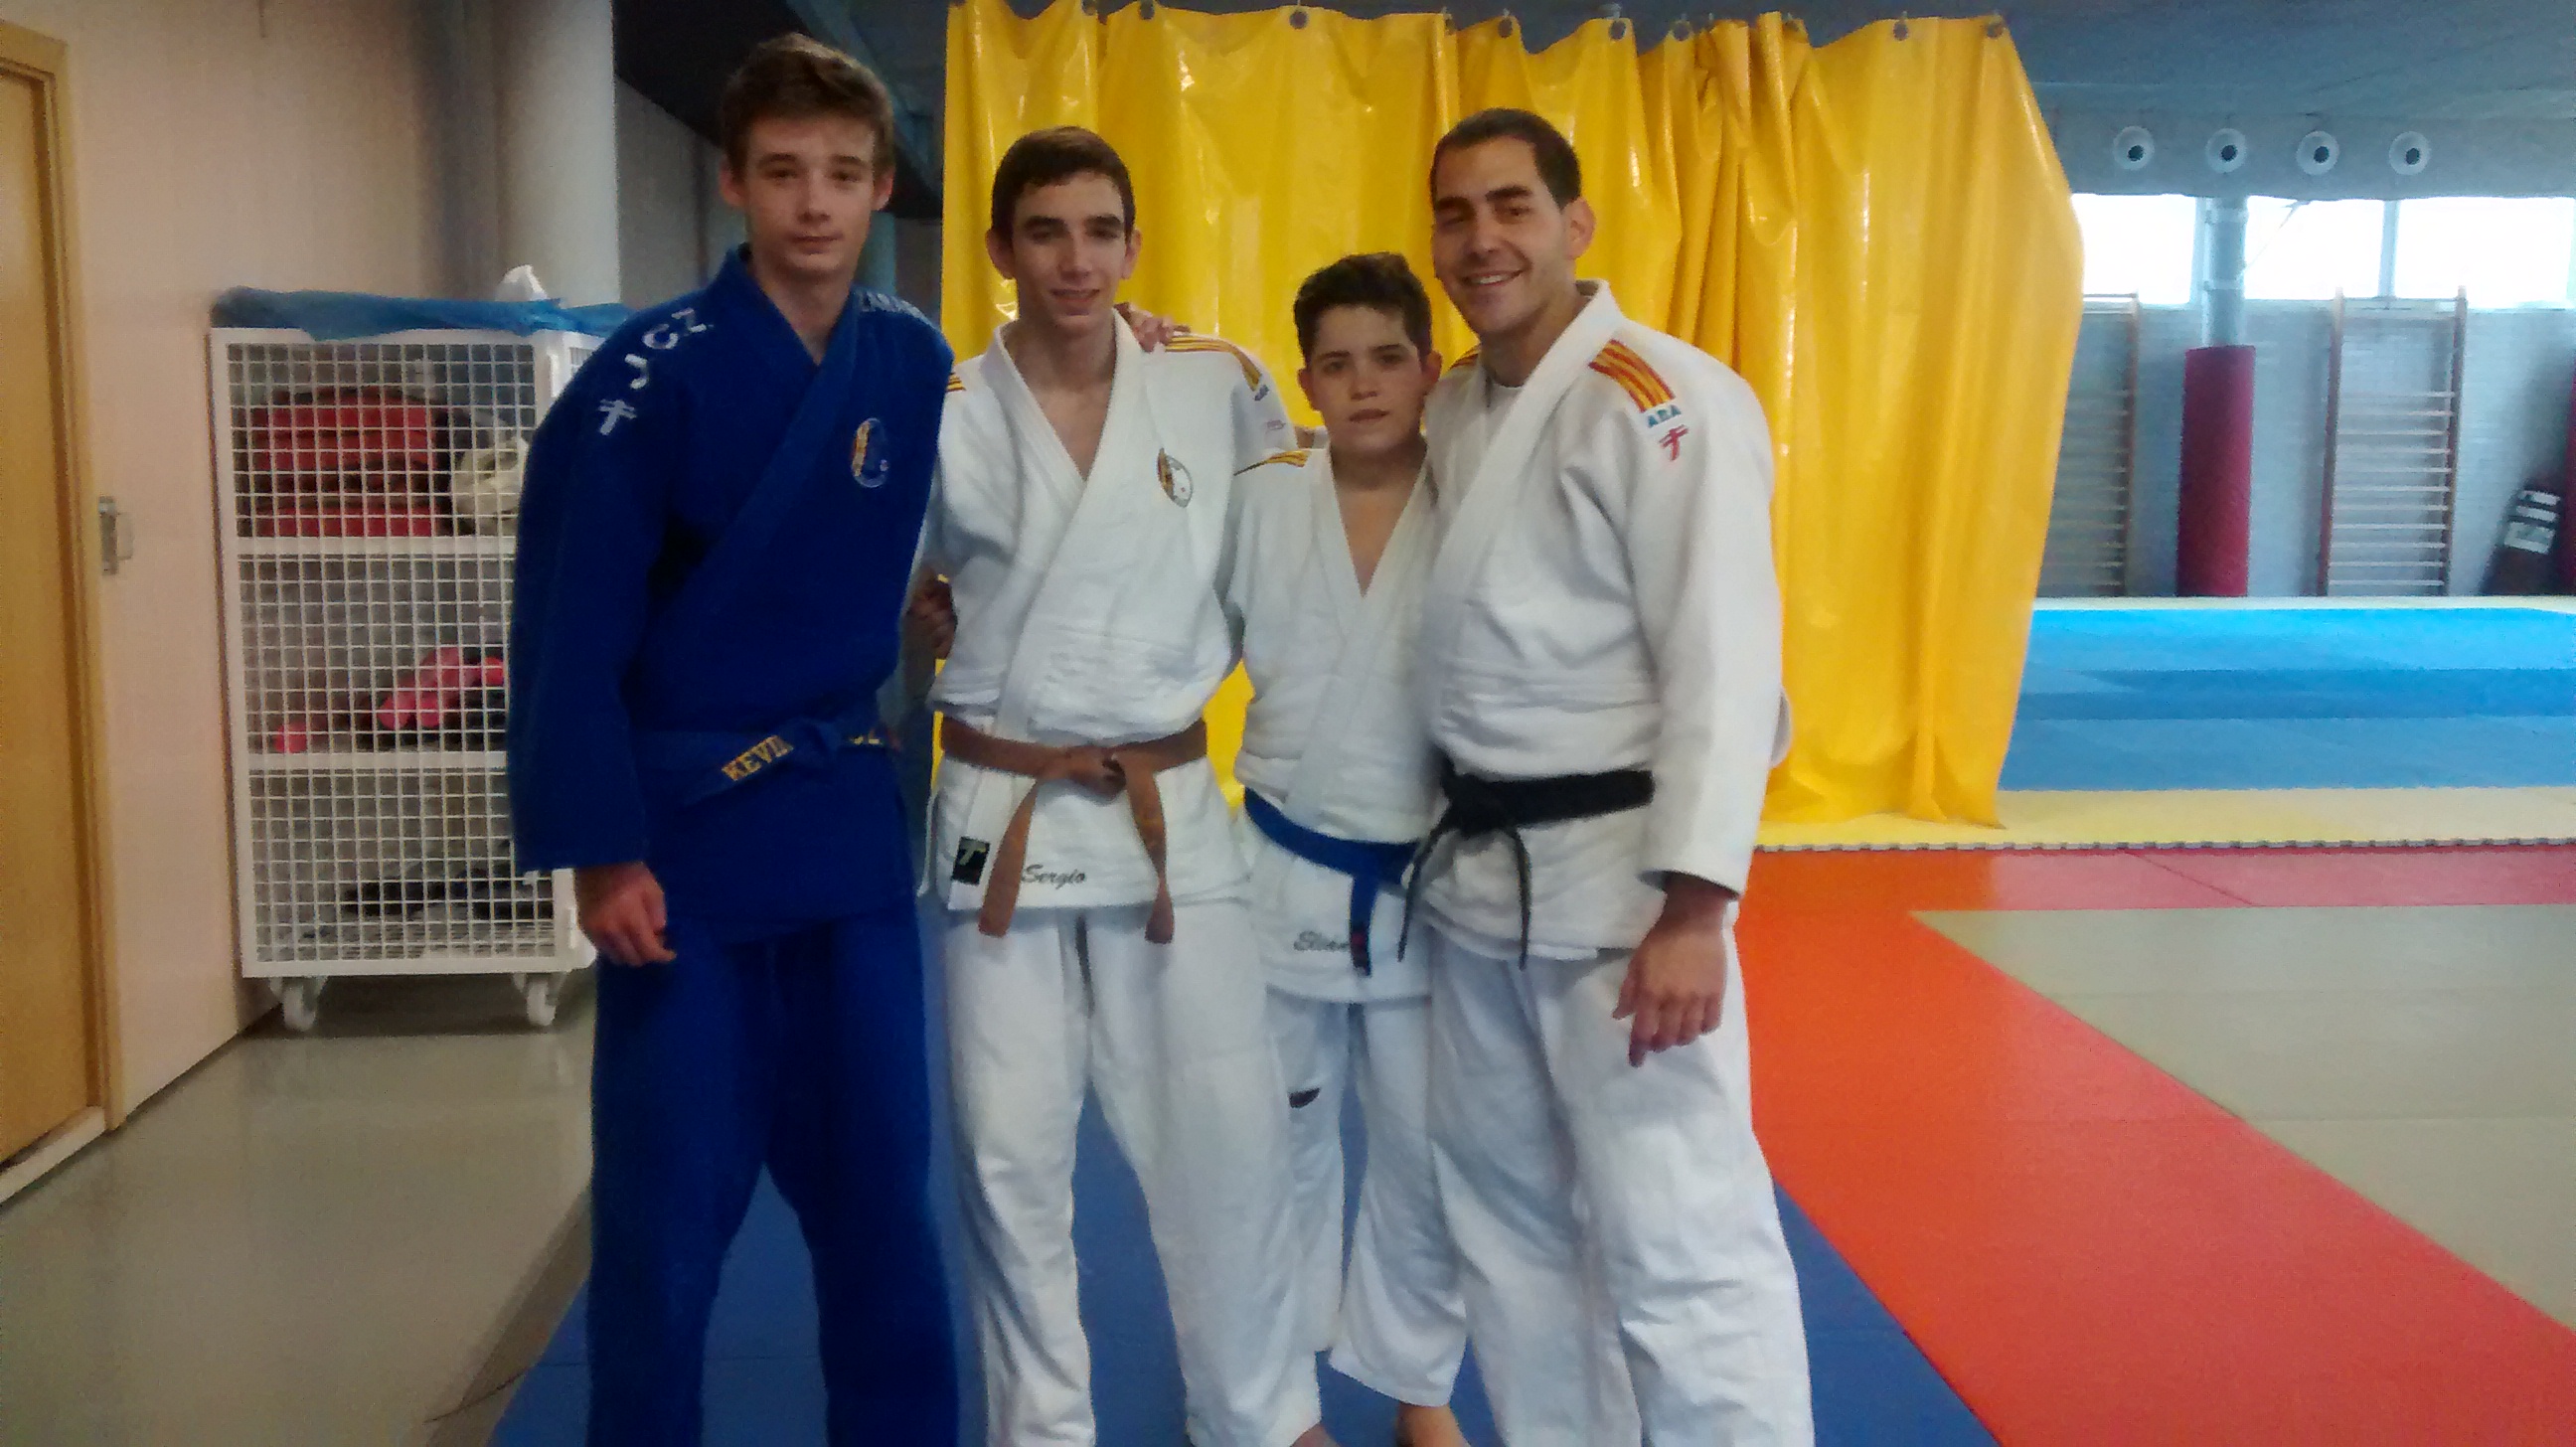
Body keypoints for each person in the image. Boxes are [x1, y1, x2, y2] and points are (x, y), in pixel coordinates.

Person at [506, 37, 956, 1446]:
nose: (813, 205)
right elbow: (568, 623)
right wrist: (600, 854)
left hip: (843, 828)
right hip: (687, 846)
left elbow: (1035, 445)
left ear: (881, 188)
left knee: (883, 1194)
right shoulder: (649, 375)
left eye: (840, 175)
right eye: (782, 174)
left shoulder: (914, 357)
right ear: (733, 183)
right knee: (665, 1219)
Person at [1408, 108, 1816, 1442]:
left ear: (1576, 225)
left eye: (1513, 207)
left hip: (1625, 898)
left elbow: (1726, 658)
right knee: (1511, 1231)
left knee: (1679, 1240)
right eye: (1457, 214)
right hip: (1479, 882)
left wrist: (1697, 910)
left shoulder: (1664, 395)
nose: (1483, 240)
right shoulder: (1461, 404)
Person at [917, 125, 1328, 1447]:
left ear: (1136, 247)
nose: (1075, 260)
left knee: (1226, 1140)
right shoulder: (950, 414)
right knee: (1008, 1161)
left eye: (1100, 231)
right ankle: (1042, 1430)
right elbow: (896, 587)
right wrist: (927, 615)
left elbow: (1296, 546)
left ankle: (1260, 1417)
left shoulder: (1216, 388)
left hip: (1170, 821)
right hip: (1003, 813)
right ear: (999, 250)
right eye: (1046, 232)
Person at [1223, 254, 1470, 1447]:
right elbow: (1159, 632)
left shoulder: (1479, 491)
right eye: (1335, 362)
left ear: (1431, 366)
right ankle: (1279, 1405)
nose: (1363, 384)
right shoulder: (1260, 496)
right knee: (1278, 1148)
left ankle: (1421, 1388)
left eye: (1387, 357)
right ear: (1305, 377)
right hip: (1282, 863)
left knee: (1428, 1150)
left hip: (1436, 878)